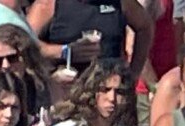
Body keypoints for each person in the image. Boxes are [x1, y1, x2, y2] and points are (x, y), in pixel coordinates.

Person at [25, 0, 153, 87]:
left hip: (109, 90)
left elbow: (145, 27)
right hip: (67, 91)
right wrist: (65, 51)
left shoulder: (119, 2)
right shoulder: (49, 4)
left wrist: (134, 73)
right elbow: (24, 43)